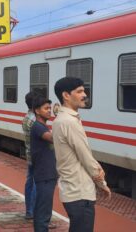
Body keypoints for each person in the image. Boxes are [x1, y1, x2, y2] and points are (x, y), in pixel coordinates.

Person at [52, 77, 111, 232]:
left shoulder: (63, 119)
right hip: (80, 192)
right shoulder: (69, 122)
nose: (84, 94)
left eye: (83, 90)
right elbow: (85, 156)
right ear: (66, 95)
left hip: (72, 190)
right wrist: (102, 183)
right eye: (79, 91)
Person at [30, 95, 57, 232]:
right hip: (44, 174)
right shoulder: (38, 127)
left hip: (48, 173)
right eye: (46, 108)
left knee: (44, 209)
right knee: (43, 211)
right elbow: (54, 139)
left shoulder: (43, 126)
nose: (49, 111)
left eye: (50, 108)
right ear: (37, 111)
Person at [22, 91, 38, 220]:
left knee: (30, 182)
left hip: (29, 154)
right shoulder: (34, 121)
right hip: (37, 156)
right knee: (36, 184)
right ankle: (33, 211)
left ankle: (29, 210)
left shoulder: (27, 117)